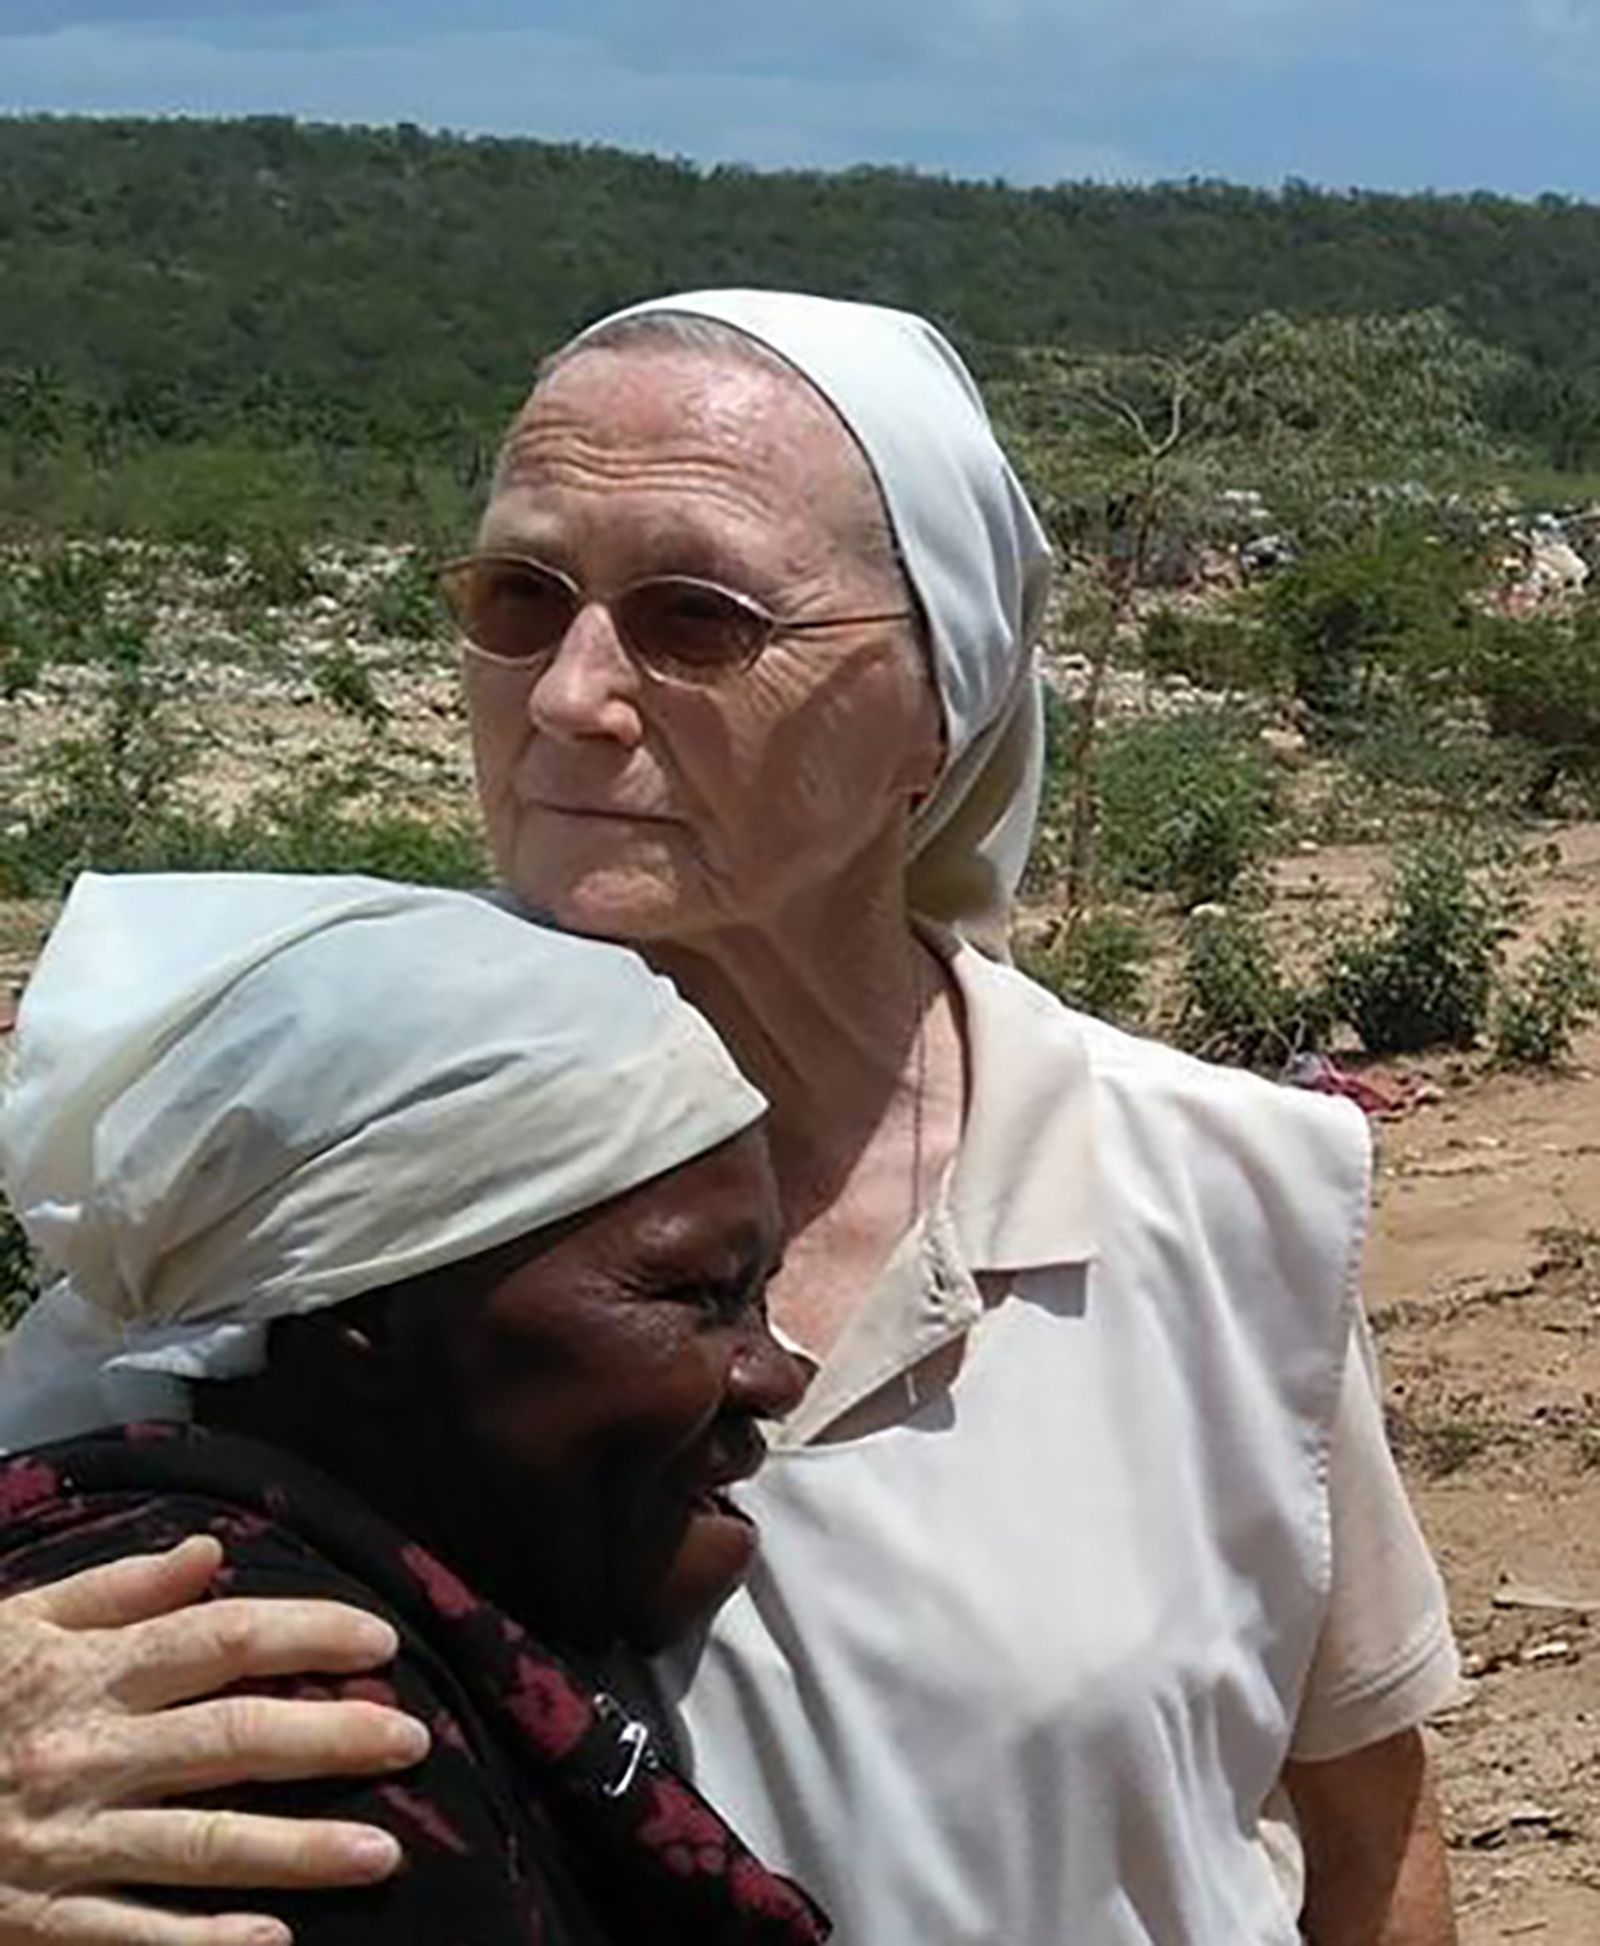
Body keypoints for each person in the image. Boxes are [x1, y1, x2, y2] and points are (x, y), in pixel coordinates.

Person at [0, 293, 1461, 1944]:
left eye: (695, 618)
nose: (568, 695)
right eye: (517, 597)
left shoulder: (1218, 1189)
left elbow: (1367, 1821)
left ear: (939, 707)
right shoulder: (321, 1153)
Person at [0, 870, 827, 1946]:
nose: (777, 1373)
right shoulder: (271, 1724)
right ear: (372, 1315)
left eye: (758, 1293)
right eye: (695, 1296)